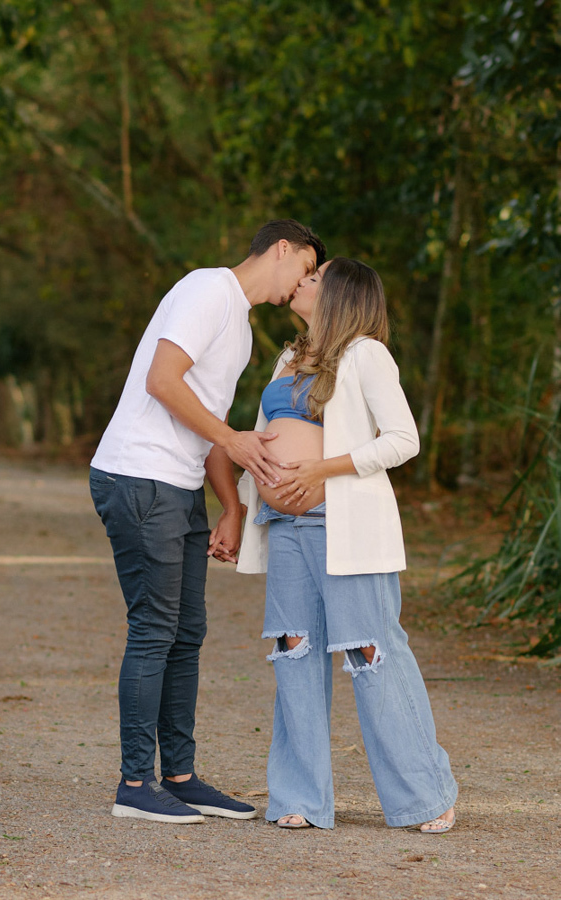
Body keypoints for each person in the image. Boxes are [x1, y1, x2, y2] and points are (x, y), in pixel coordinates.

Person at [90, 219, 326, 824]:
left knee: (186, 631)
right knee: (154, 629)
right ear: (283, 249)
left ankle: (179, 776)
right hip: (139, 475)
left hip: (178, 484)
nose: (302, 284)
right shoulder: (206, 289)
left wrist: (232, 506)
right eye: (306, 268)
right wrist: (232, 440)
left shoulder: (240, 330)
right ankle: (135, 783)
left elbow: (213, 431)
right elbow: (162, 381)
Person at [237, 257, 458, 832]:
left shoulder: (365, 354)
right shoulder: (289, 358)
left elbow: (403, 439)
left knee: (370, 651)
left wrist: (323, 469)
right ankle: (300, 797)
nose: (302, 281)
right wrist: (239, 509)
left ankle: (426, 796)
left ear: (341, 295)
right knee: (293, 649)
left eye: (316, 277)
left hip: (344, 525)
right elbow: (262, 438)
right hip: (284, 525)